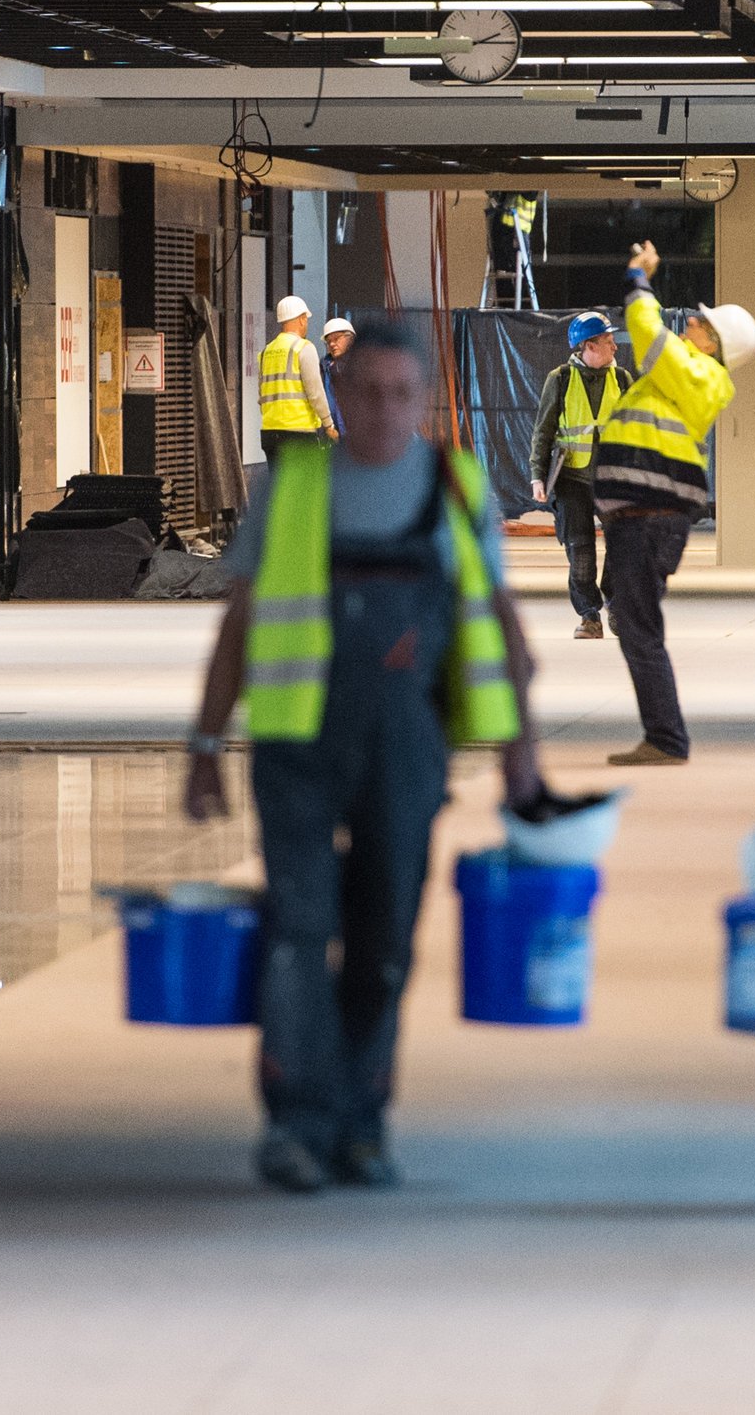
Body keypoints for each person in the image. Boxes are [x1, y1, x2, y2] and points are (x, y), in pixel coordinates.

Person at [188, 316, 546, 1193]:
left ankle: (362, 1123)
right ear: (339, 395)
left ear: (422, 401)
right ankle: (296, 1126)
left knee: (384, 939)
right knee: (299, 933)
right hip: (296, 743)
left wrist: (522, 744)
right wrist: (203, 741)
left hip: (407, 748)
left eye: (401, 393)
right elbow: (239, 619)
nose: (384, 410)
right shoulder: (293, 486)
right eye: (368, 391)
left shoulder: (457, 488)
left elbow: (501, 625)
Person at [595, 241, 755, 767]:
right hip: (641, 518)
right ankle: (663, 734)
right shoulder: (679, 380)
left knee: (639, 626)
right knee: (633, 618)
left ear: (713, 345)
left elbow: (646, 331)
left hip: (648, 519)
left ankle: (666, 738)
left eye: (699, 325)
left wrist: (639, 281)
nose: (689, 324)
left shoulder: (699, 374)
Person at [529, 311, 626, 639]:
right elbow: (543, 430)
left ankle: (616, 604)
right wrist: (537, 476)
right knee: (580, 549)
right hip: (572, 479)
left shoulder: (622, 380)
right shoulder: (560, 379)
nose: (615, 348)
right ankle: (589, 616)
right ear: (588, 346)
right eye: (608, 342)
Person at [256, 295, 339, 451]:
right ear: (302, 319)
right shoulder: (303, 348)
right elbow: (315, 393)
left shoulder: (266, 351)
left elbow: (261, 395)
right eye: (306, 319)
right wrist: (328, 425)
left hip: (269, 433)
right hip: (299, 432)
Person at [318, 314, 356, 432]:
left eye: (336, 339)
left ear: (350, 339)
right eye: (329, 341)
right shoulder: (324, 366)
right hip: (331, 434)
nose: (332, 344)